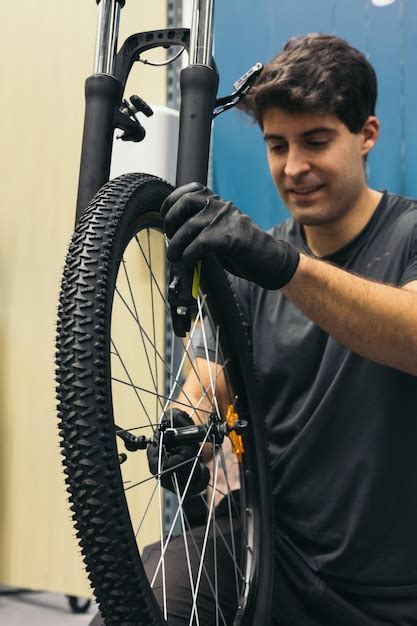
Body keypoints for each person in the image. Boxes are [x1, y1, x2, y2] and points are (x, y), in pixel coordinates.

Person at [91, 33, 417, 626]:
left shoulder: (409, 237)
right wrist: (183, 425)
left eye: (316, 141)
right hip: (272, 554)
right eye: (277, 145)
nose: (294, 167)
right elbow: (208, 379)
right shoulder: (251, 271)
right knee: (138, 600)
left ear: (366, 135)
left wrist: (287, 269)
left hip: (392, 590)